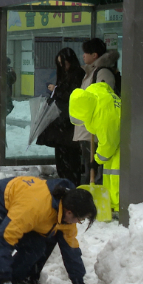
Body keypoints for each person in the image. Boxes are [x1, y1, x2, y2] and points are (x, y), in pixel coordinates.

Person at [0, 176, 97, 284]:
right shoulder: (35, 207)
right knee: (34, 247)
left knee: (51, 234)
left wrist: (78, 282)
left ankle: (28, 277)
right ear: (69, 212)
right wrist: (4, 277)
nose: (78, 222)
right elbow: (5, 238)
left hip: (17, 208)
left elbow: (70, 248)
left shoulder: (65, 210)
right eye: (80, 219)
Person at [37, 48, 85, 185]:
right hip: (62, 121)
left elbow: (72, 95)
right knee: (62, 154)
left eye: (63, 63)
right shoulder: (66, 74)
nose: (62, 67)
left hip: (68, 121)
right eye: (59, 64)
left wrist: (57, 90)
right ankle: (65, 179)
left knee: (69, 154)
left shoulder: (77, 74)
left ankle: (70, 181)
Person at [70, 82, 121, 212]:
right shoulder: (93, 91)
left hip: (122, 139)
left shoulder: (104, 119)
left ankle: (117, 206)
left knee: (115, 172)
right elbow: (105, 86)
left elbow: (108, 146)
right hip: (117, 132)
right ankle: (112, 203)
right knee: (109, 170)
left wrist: (96, 161)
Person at [74, 38, 120, 185]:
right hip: (88, 127)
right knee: (89, 165)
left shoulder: (102, 73)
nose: (83, 56)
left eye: (86, 53)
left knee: (95, 167)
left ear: (94, 55)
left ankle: (96, 193)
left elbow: (104, 100)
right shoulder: (91, 72)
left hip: (95, 129)